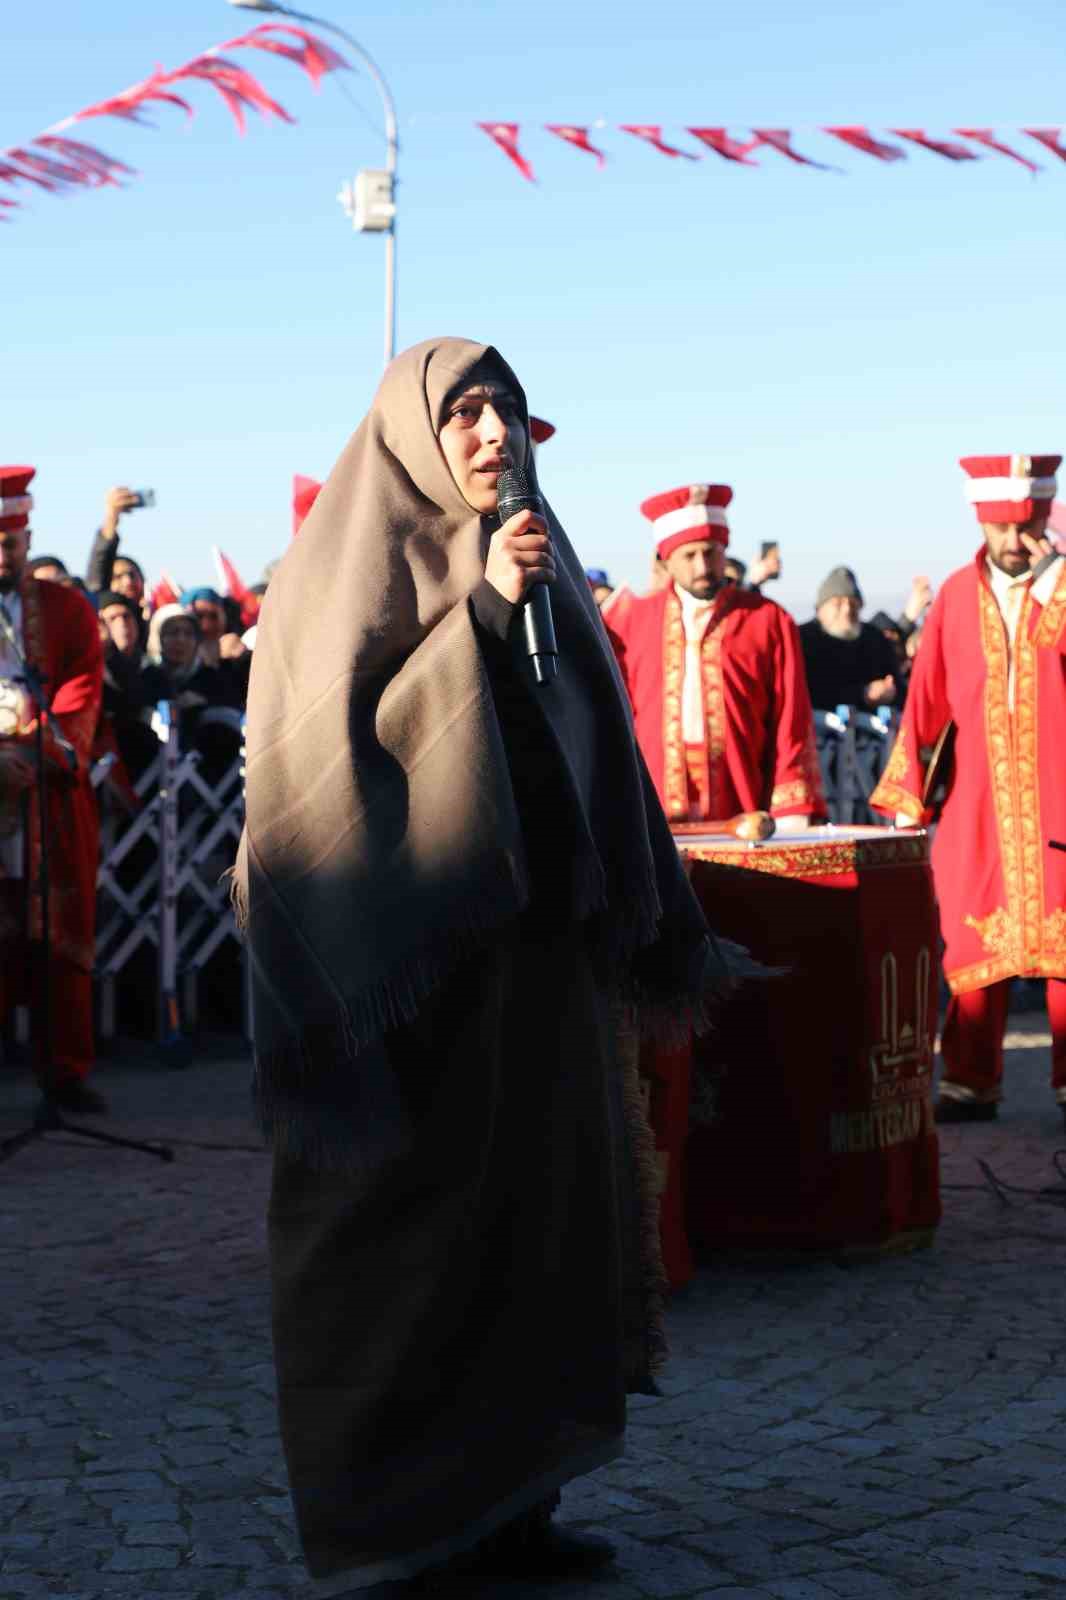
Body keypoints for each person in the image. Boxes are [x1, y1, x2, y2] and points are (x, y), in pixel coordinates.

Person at [235, 338, 734, 1590]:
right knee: (412, 1250)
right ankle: (396, 1522)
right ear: (412, 432)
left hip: (538, 964)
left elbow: (592, 730)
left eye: (501, 410)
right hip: (411, 982)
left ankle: (517, 1500)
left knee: (543, 1236)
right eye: (459, 414)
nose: (487, 435)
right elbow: (327, 762)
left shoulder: (537, 543)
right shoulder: (339, 570)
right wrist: (484, 622)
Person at [871, 453, 1066, 1123]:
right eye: (1003, 528)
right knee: (971, 938)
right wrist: (905, 800)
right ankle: (970, 1078)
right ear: (982, 522)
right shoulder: (955, 595)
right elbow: (926, 701)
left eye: (1029, 526)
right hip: (978, 801)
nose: (1016, 542)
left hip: (1060, 795)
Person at [603, 484, 823, 826]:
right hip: (654, 799)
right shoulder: (627, 622)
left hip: (743, 793)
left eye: (712, 552)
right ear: (666, 560)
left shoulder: (768, 620)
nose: (703, 565)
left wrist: (791, 808)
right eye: (689, 556)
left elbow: (791, 718)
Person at [0, 466, 105, 1114]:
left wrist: (30, 752)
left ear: (28, 538)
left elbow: (80, 691)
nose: (0, 555)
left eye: (9, 544)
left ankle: (63, 1070)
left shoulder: (66, 609)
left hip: (45, 793)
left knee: (56, 935)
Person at [799, 567, 901, 713]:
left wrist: (890, 692)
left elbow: (900, 689)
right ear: (820, 608)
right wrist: (862, 695)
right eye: (838, 603)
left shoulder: (875, 640)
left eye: (853, 604)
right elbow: (806, 691)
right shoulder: (803, 639)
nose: (847, 610)